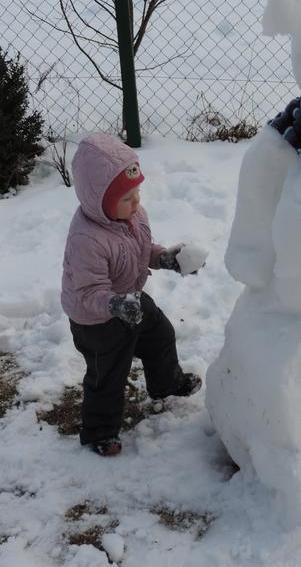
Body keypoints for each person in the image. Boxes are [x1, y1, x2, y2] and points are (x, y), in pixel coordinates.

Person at [61, 133, 203, 457]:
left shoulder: (133, 216)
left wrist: (166, 258)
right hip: (96, 320)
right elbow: (88, 291)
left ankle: (166, 383)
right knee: (109, 373)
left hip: (130, 300)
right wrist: (114, 304)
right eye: (127, 197)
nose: (136, 201)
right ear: (99, 201)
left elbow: (140, 250)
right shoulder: (87, 239)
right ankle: (99, 432)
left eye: (137, 191)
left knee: (160, 335)